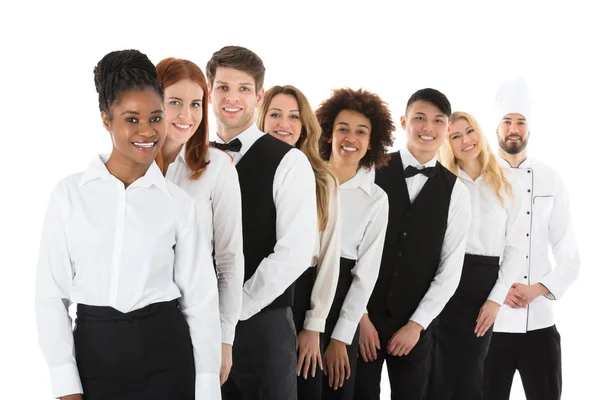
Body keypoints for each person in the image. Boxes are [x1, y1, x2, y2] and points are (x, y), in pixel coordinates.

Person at [35, 49, 221, 400]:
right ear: (106, 119)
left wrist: (208, 388)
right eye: (131, 119)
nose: (147, 132)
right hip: (94, 359)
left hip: (168, 359)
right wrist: (65, 384)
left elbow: (200, 302)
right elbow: (50, 296)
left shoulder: (179, 205)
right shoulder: (69, 196)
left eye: (155, 118)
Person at [206, 46, 318, 400]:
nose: (232, 98)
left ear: (259, 96)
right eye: (223, 87)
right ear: (210, 93)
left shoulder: (289, 161)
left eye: (243, 89)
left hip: (263, 326)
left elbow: (296, 252)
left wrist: (235, 309)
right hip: (198, 324)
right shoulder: (188, 158)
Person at [355, 88, 471, 400]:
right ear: (405, 122)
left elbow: (450, 269)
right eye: (419, 118)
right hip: (360, 320)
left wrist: (416, 325)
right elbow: (350, 246)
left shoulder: (456, 191)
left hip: (415, 326)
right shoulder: (369, 169)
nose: (427, 128)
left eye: (437, 121)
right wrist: (359, 316)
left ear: (447, 130)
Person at [483, 77, 581, 400]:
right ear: (496, 127)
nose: (514, 128)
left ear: (529, 128)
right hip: (489, 325)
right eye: (507, 121)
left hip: (539, 324)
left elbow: (570, 258)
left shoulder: (552, 179)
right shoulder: (479, 178)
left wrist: (534, 290)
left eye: (520, 122)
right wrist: (499, 291)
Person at [155, 57, 244, 386]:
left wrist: (224, 337)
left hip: (197, 324)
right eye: (175, 102)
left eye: (195, 104)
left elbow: (230, 258)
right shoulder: (131, 168)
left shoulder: (217, 167)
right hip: (137, 322)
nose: (186, 116)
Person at [428, 111, 528, 399]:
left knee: (472, 373)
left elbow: (514, 248)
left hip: (483, 280)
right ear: (447, 143)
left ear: (480, 133)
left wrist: (495, 299)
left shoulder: (508, 183)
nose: (465, 140)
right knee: (437, 372)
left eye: (469, 131)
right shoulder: (442, 182)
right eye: (455, 136)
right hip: (444, 277)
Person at [257, 85, 341, 399]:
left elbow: (330, 257)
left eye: (293, 116)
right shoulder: (242, 169)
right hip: (252, 287)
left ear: (304, 125)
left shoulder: (323, 179)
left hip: (300, 296)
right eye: (275, 114)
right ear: (262, 119)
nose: (284, 123)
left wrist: (313, 325)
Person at [315, 87, 392, 399]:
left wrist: (341, 338)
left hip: (342, 301)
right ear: (328, 133)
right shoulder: (307, 176)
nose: (351, 138)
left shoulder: (375, 199)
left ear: (371, 141)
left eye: (361, 132)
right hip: (297, 291)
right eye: (342, 129)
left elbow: (366, 275)